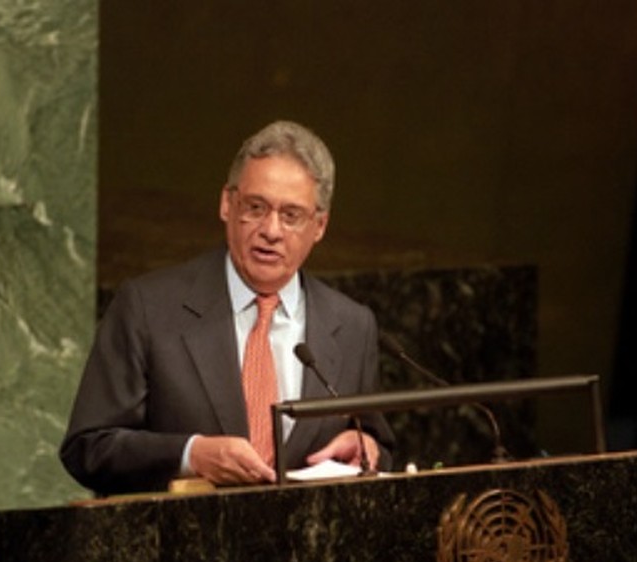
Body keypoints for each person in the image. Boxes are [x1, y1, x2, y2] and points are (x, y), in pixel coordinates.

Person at [61, 120, 395, 494]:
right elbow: (88, 447)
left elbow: (377, 445)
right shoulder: (147, 308)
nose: (271, 230)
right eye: (255, 207)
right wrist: (191, 455)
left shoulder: (351, 325)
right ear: (226, 204)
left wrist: (368, 450)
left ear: (319, 226)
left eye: (291, 216)